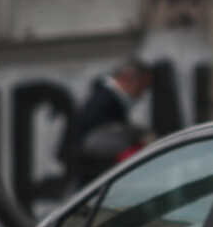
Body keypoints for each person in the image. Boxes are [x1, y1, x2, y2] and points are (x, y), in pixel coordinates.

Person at [64, 58, 153, 187]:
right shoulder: (106, 100)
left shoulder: (105, 96)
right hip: (91, 172)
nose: (142, 94)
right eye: (142, 87)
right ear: (127, 79)